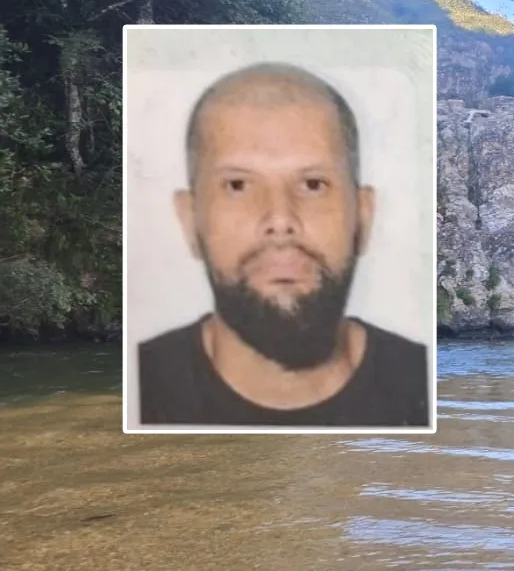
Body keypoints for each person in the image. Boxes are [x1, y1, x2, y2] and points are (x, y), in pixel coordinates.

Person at [137, 62, 430, 428]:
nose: (279, 219)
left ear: (363, 217)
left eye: (312, 184)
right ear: (190, 221)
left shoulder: (424, 390)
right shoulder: (139, 393)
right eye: (238, 186)